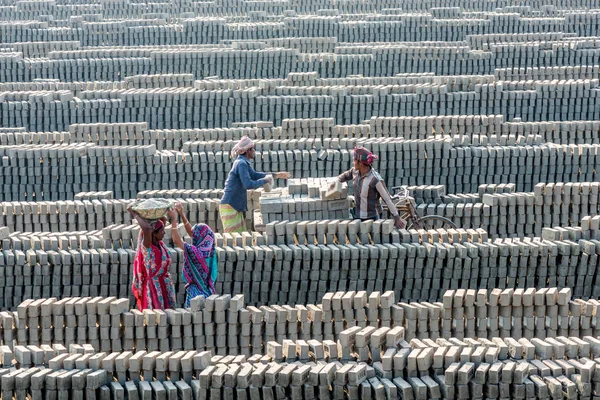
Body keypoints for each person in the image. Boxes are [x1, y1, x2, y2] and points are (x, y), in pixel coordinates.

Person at [220, 136, 290, 233]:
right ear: (247, 151)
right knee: (233, 240)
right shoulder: (241, 164)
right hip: (230, 206)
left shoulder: (244, 163)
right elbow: (248, 184)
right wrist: (265, 180)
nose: (254, 151)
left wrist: (276, 175)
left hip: (235, 206)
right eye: (252, 149)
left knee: (241, 239)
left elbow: (255, 175)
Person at [334, 146, 406, 229]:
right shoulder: (355, 171)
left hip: (372, 219)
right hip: (357, 216)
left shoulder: (375, 180)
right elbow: (344, 176)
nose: (353, 162)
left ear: (360, 163)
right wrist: (335, 182)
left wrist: (397, 218)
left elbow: (387, 199)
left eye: (354, 160)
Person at [168, 203, 218, 308]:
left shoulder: (195, 252)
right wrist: (182, 215)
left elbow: (177, 241)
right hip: (208, 292)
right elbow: (193, 234)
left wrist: (173, 221)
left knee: (192, 320)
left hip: (195, 294)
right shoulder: (210, 251)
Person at [128, 206, 177, 311]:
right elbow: (146, 228)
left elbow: (162, 220)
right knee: (155, 319)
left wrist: (164, 209)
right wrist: (134, 213)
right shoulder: (148, 246)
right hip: (153, 288)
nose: (164, 233)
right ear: (154, 234)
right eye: (162, 231)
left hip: (164, 284)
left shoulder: (160, 244)